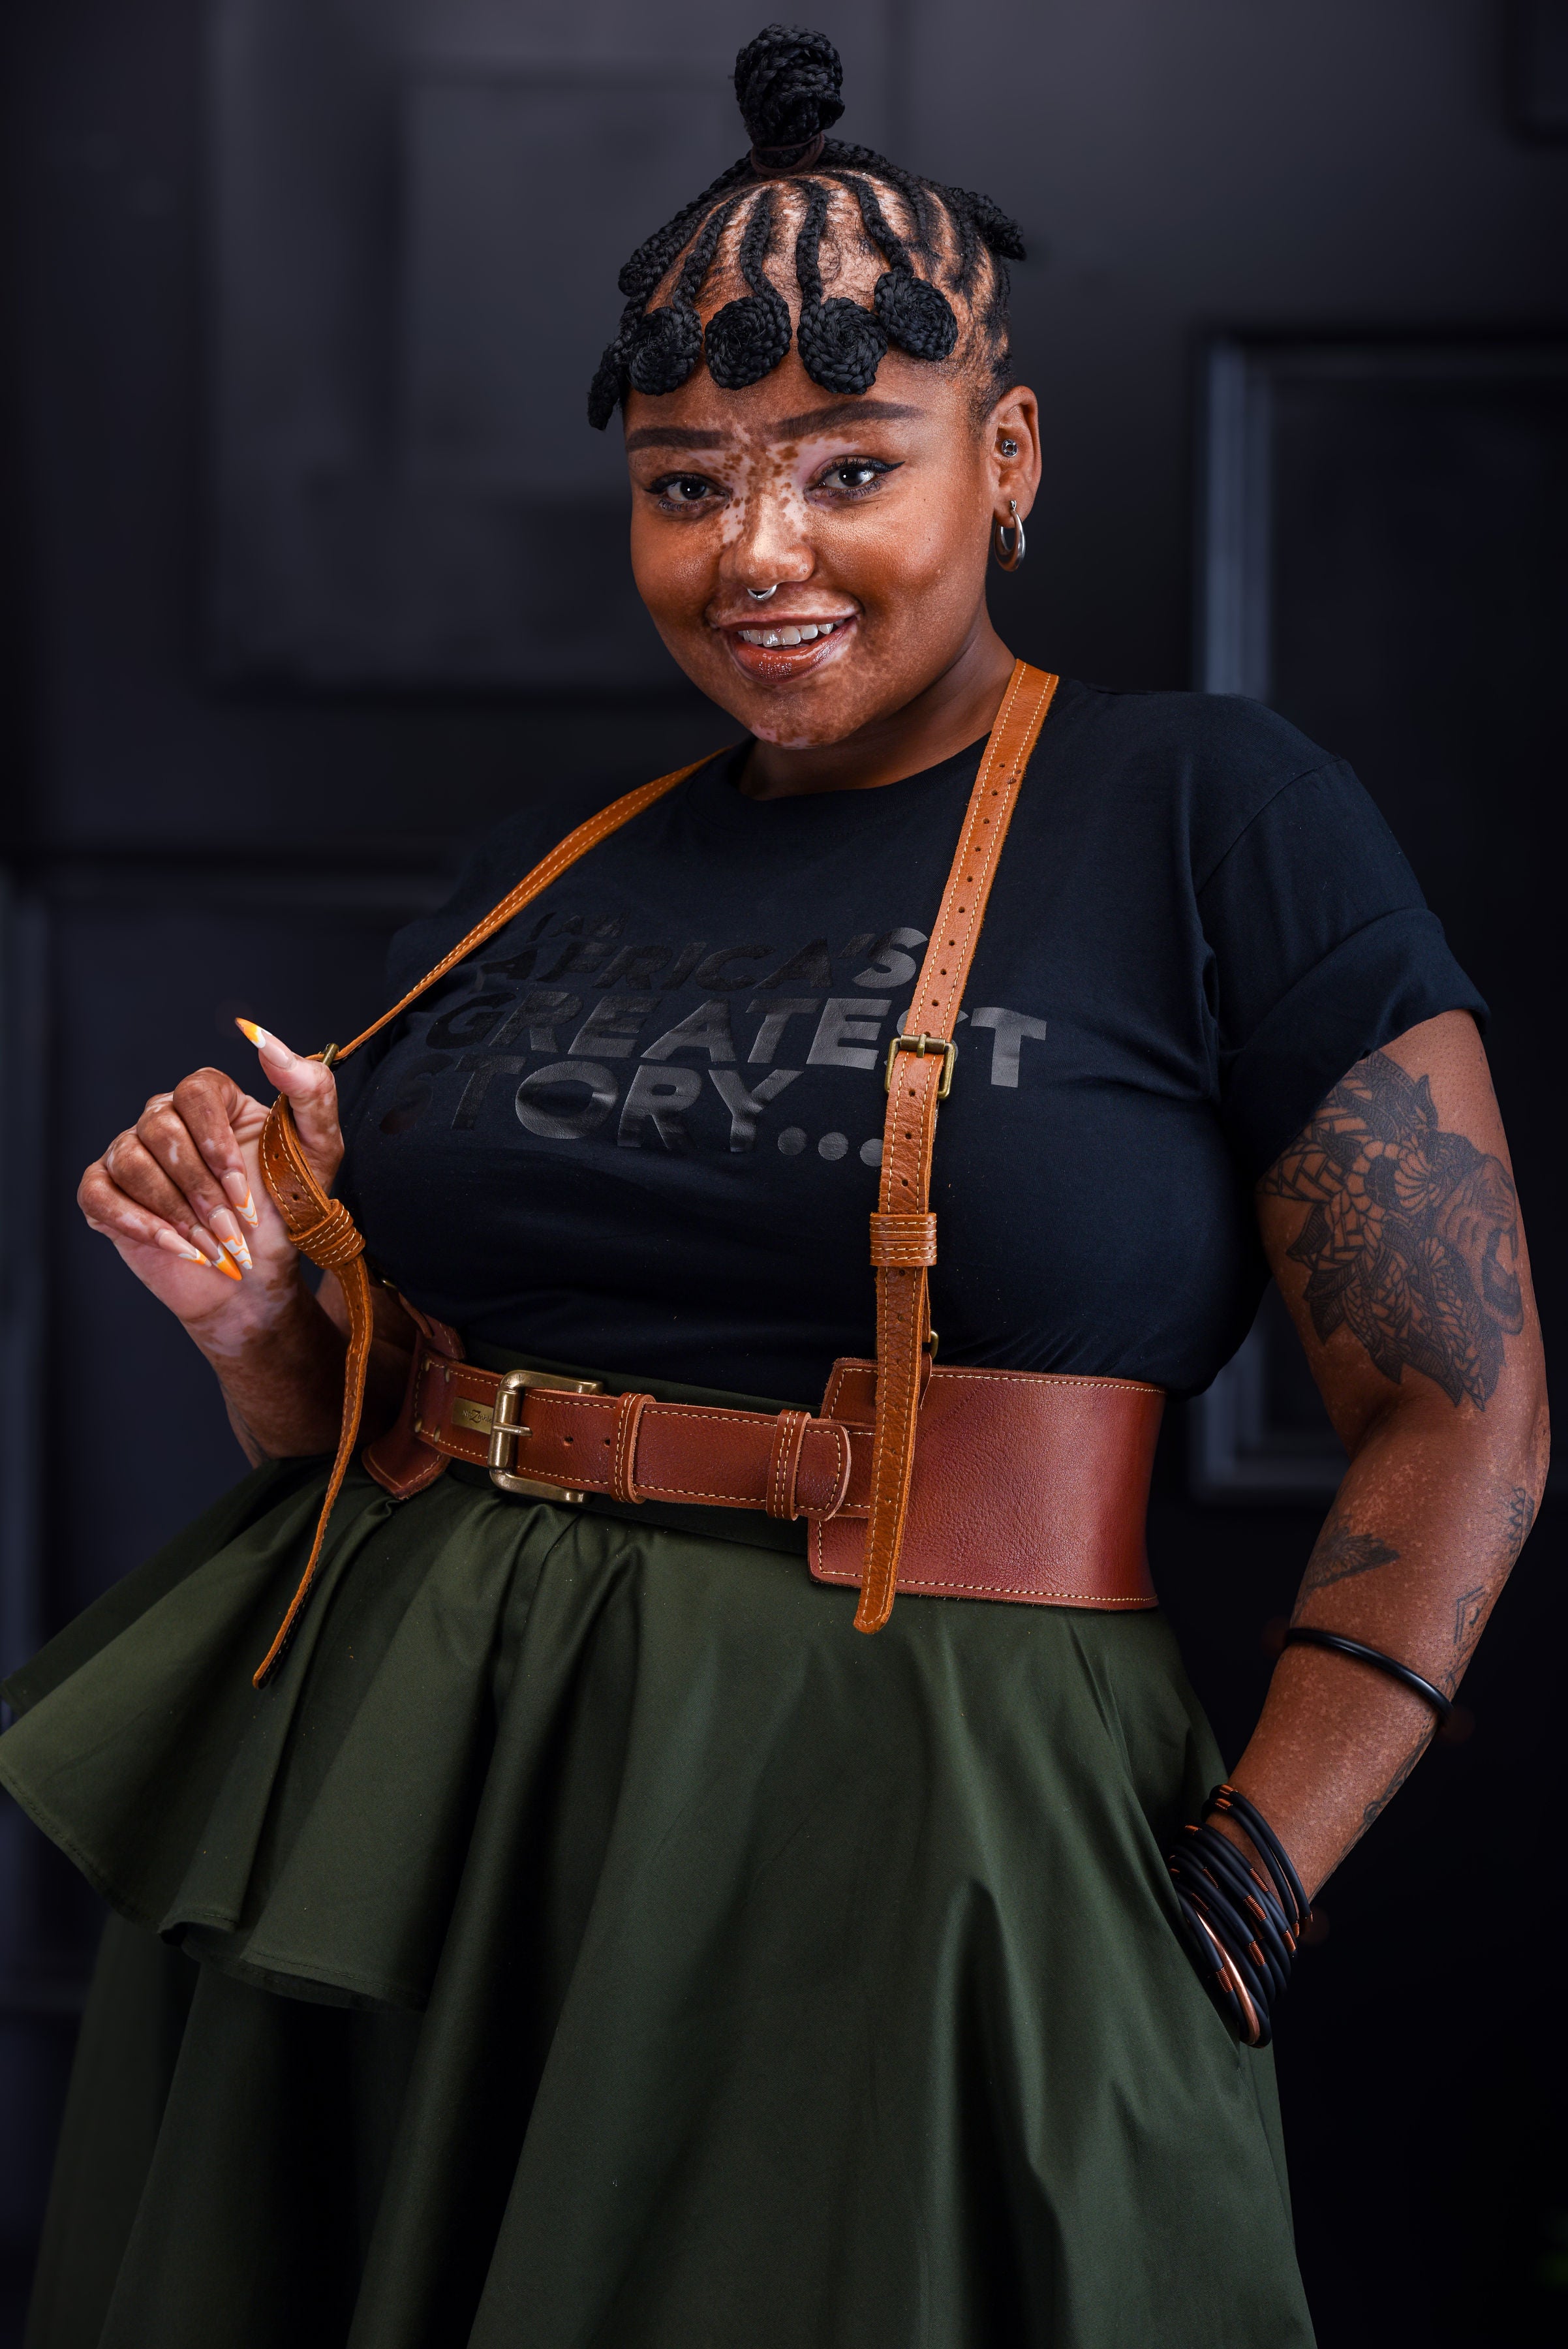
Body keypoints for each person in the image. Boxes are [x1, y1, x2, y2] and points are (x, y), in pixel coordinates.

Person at [1, 25, 1546, 2349]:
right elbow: (369, 1432)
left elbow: (1463, 1398)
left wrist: (1261, 1866)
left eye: (846, 466)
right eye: (684, 482)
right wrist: (259, 1319)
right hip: (423, 1822)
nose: (755, 555)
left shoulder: (1208, 813)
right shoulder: (555, 875)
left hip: (914, 1825)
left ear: (1004, 460)